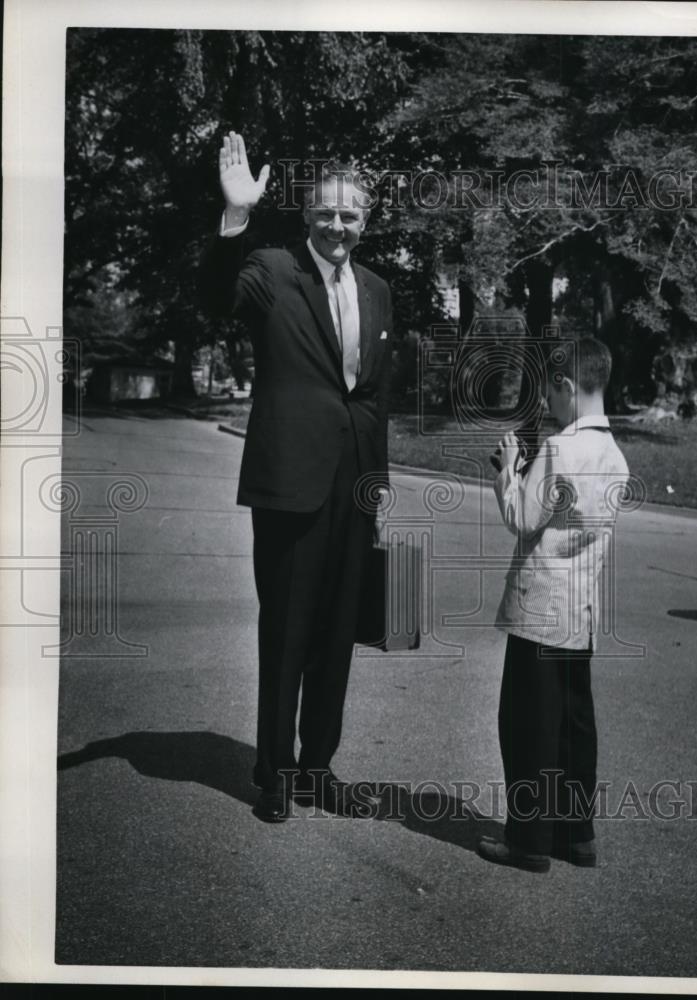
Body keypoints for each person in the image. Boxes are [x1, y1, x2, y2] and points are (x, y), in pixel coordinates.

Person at [199, 131, 393, 822]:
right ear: (307, 215)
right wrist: (234, 217)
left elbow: (372, 397)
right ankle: (273, 771)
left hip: (354, 486)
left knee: (338, 632)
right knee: (287, 627)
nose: (337, 227)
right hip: (290, 480)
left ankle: (318, 768)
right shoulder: (272, 269)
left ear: (365, 222)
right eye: (326, 214)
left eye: (350, 216)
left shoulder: (377, 289)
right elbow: (219, 295)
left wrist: (378, 486)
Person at [479, 336, 630, 872]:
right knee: (573, 722)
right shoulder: (615, 457)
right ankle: (575, 833)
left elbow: (523, 518)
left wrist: (510, 469)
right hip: (579, 610)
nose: (547, 403)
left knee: (526, 724)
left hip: (538, 607)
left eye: (550, 391)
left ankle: (528, 841)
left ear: (567, 386)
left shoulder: (560, 449)